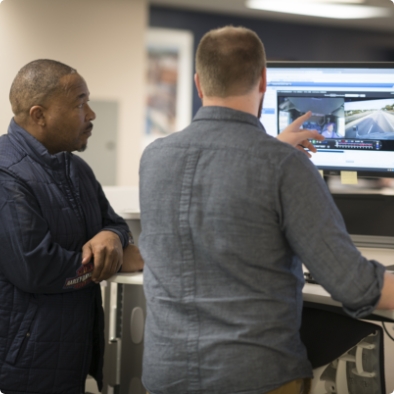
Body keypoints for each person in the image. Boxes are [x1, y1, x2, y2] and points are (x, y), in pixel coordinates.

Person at [138, 26, 394, 394]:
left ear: (198, 83)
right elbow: (353, 286)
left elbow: (219, 188)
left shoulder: (155, 158)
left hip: (165, 376)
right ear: (263, 79)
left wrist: (271, 150)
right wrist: (276, 155)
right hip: (253, 377)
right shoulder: (283, 166)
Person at [0, 59, 143, 394]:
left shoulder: (74, 168)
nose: (91, 114)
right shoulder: (7, 175)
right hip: (25, 365)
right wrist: (118, 259)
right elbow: (36, 268)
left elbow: (115, 222)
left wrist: (111, 236)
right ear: (39, 115)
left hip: (68, 354)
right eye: (80, 103)